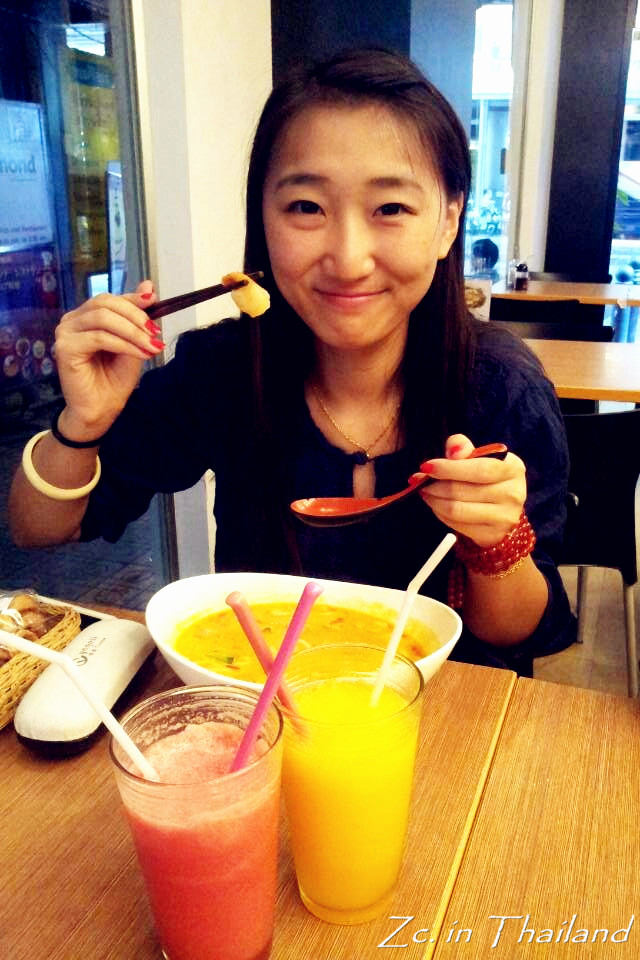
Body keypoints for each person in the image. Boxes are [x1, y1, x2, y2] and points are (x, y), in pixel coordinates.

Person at [9, 48, 575, 675]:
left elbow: (520, 632)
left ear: (448, 220)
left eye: (390, 209)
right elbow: (39, 529)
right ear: (264, 217)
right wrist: (83, 422)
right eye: (307, 207)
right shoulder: (224, 369)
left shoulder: (502, 388)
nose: (349, 259)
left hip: (439, 715)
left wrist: (496, 542)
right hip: (259, 710)